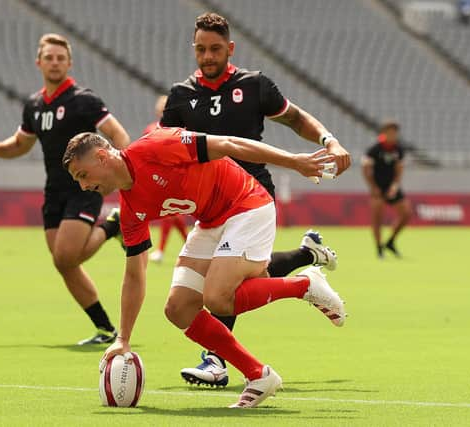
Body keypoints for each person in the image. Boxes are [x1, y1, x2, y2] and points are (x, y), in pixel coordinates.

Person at [62, 128, 347, 408]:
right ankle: (259, 376)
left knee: (218, 298)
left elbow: (228, 142)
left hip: (246, 204)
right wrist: (123, 339)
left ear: (102, 157)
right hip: (211, 221)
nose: (83, 186)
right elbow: (135, 274)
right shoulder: (129, 210)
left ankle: (306, 284)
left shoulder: (155, 147)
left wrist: (294, 161)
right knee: (178, 308)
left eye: (82, 175)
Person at [160, 12, 352, 386]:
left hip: (253, 198)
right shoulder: (181, 96)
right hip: (212, 205)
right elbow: (165, 150)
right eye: (200, 49)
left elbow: (295, 118)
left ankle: (216, 360)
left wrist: (330, 140)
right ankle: (306, 258)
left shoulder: (254, 85)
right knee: (249, 281)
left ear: (230, 48)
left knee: (221, 287)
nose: (207, 56)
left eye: (215, 49)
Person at [0, 33, 131, 345]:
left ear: (69, 63)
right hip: (53, 191)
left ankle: (113, 225)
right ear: (39, 63)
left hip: (84, 187)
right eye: (49, 57)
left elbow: (116, 133)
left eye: (60, 58)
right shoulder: (33, 105)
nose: (54, 62)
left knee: (67, 256)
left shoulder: (85, 100)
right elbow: (19, 145)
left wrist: (125, 168)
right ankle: (105, 329)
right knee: (63, 263)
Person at [141, 95, 189, 263]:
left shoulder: (180, 130)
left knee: (172, 213)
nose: (162, 109)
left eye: (165, 106)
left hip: (176, 177)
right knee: (172, 214)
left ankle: (162, 251)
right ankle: (188, 244)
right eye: (160, 106)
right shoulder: (150, 129)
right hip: (158, 178)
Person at [361, 121, 412, 258]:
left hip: (391, 187)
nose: (393, 135)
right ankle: (379, 248)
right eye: (390, 132)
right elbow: (366, 169)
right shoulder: (375, 149)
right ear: (384, 132)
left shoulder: (398, 149)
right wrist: (373, 187)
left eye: (395, 132)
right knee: (377, 218)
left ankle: (390, 241)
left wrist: (395, 186)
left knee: (406, 214)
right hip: (378, 188)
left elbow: (399, 169)